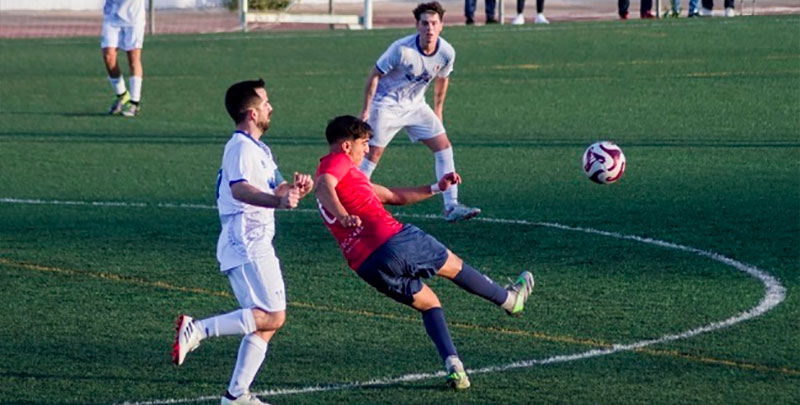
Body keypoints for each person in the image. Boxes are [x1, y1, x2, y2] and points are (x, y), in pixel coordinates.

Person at [315, 115, 534, 390]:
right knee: (454, 265)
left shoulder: (350, 178)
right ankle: (509, 300)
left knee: (430, 304)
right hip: (393, 239)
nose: (367, 150)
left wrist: (435, 188)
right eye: (364, 143)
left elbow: (392, 195)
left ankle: (454, 366)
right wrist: (344, 216)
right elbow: (323, 186)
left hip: (366, 264)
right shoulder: (335, 163)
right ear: (346, 146)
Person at [173, 79, 314, 405]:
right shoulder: (239, 147)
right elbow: (239, 189)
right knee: (272, 316)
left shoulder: (259, 149)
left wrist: (292, 191)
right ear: (252, 113)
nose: (270, 108)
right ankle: (198, 329)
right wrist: (278, 201)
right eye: (265, 103)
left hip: (257, 241)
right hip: (246, 242)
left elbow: (275, 186)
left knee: (264, 324)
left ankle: (236, 395)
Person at [360, 1, 481, 222]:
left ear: (441, 25)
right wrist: (366, 110)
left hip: (416, 106)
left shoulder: (446, 52)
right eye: (425, 23)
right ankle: (352, 200)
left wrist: (438, 110)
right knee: (372, 155)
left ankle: (451, 205)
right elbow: (374, 75)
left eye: (434, 23)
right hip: (386, 105)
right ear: (418, 25)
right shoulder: (401, 50)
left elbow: (443, 80)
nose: (430, 28)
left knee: (443, 145)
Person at [102, 0, 146, 117]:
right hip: (112, 15)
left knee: (133, 58)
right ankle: (122, 94)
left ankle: (134, 103)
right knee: (108, 56)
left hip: (133, 16)